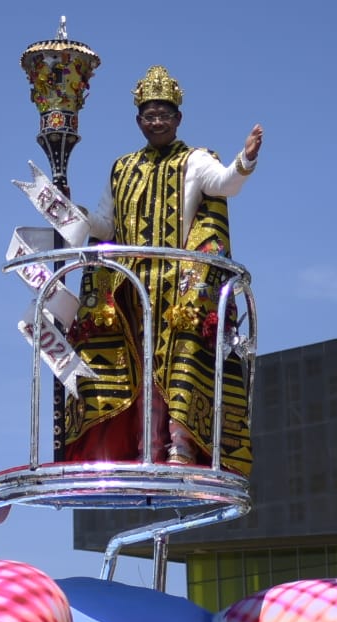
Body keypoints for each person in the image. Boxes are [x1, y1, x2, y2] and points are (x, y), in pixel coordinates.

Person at [66, 65, 261, 473]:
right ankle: (145, 446)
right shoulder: (122, 168)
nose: (156, 122)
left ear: (178, 119)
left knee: (178, 364)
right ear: (138, 121)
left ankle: (181, 446)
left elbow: (225, 183)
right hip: (131, 287)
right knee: (137, 367)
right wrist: (74, 213)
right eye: (149, 116)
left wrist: (245, 160)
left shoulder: (195, 160)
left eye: (163, 115)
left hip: (181, 289)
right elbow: (107, 225)